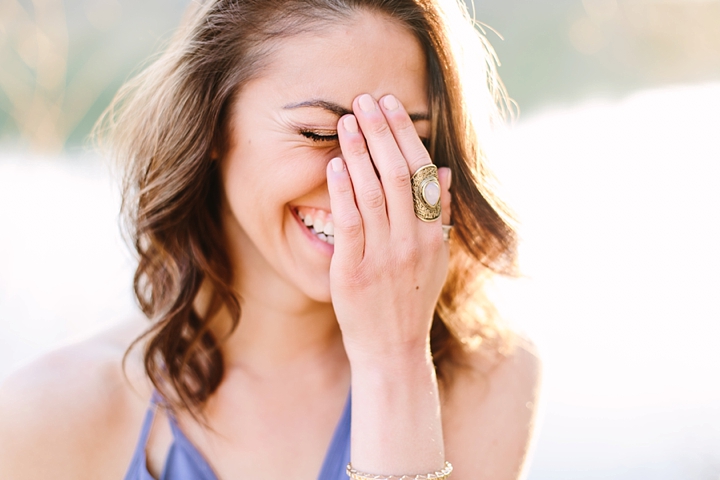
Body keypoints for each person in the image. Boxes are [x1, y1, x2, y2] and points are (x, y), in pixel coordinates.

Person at [0, 0, 542, 478]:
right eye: (319, 134)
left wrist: (394, 362)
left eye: (406, 143)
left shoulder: (489, 379)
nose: (362, 185)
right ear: (213, 125)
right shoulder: (47, 416)